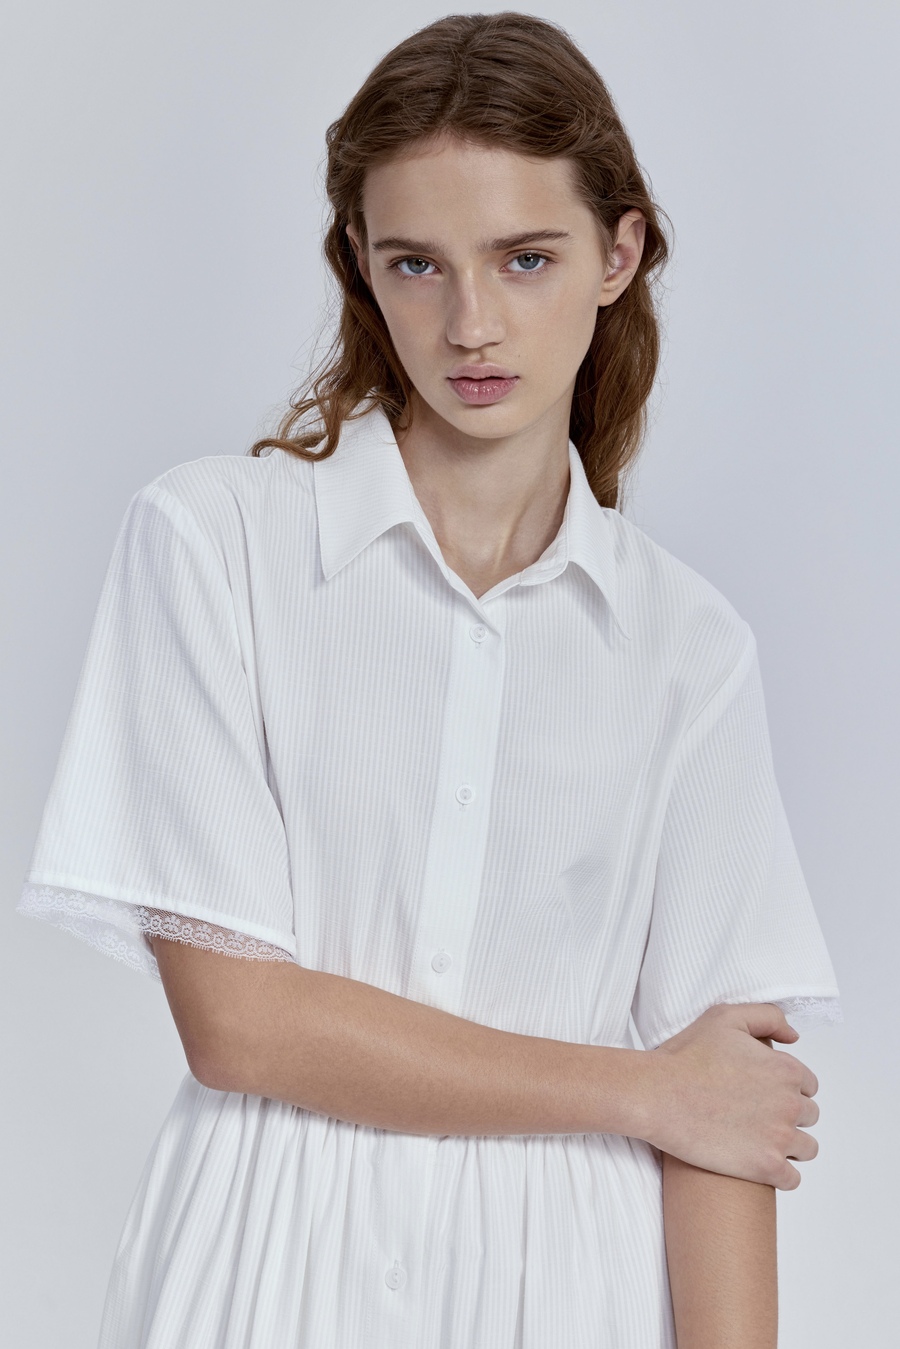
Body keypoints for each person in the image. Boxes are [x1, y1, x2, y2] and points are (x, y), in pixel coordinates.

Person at [18, 12, 841, 1348]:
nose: (471, 324)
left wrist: (686, 1103)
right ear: (360, 260)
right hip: (264, 1275)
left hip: (565, 1299)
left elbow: (728, 1112)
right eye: (417, 263)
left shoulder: (689, 649)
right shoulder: (215, 546)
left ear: (620, 252)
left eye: (526, 257)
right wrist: (637, 1088)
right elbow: (238, 1024)